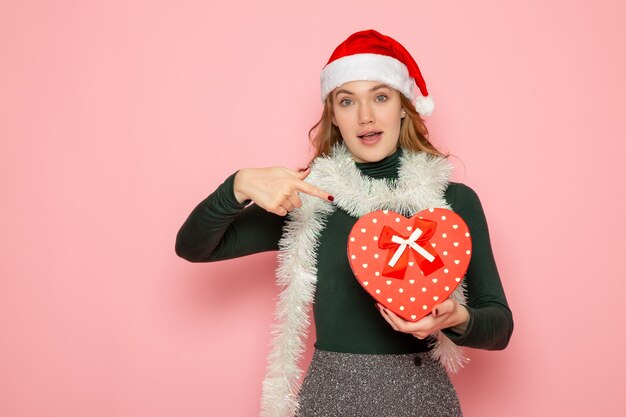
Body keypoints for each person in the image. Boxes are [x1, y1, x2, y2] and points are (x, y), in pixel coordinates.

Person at [175, 29, 513, 417]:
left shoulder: (453, 202)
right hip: (328, 401)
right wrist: (234, 187)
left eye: (380, 97)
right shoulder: (310, 201)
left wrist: (457, 317)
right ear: (333, 115)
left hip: (424, 402)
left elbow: (499, 324)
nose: (365, 116)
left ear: (404, 106)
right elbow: (194, 246)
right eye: (347, 101)